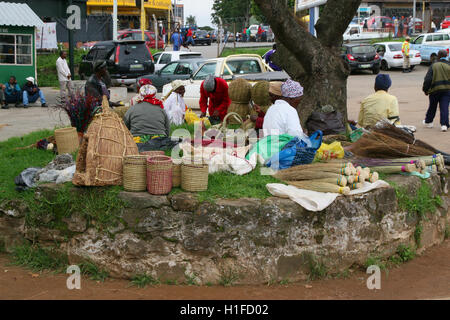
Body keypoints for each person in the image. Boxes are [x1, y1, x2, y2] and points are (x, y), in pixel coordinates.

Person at [422, 49, 450, 132]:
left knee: (432, 106)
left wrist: (425, 90)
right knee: (444, 107)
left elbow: (428, 79)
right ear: (446, 55)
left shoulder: (433, 65)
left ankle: (429, 122)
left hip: (435, 90)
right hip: (447, 90)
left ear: (438, 56)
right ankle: (444, 125)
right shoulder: (449, 65)